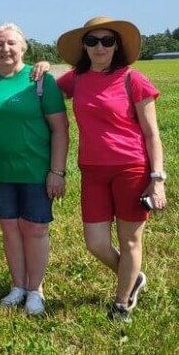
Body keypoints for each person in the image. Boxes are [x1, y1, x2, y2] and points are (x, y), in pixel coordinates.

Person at [55, 16, 167, 320]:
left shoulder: (133, 79)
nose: (100, 47)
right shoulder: (76, 79)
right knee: (96, 243)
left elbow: (152, 133)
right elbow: (48, 86)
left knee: (130, 240)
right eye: (92, 41)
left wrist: (157, 179)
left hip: (131, 169)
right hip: (92, 171)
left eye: (107, 40)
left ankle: (121, 303)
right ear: (84, 46)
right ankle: (133, 277)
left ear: (116, 45)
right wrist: (40, 66)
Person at [0, 24, 69, 315]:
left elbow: (60, 129)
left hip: (37, 170)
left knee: (35, 229)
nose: (5, 49)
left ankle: (35, 290)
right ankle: (18, 286)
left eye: (12, 43)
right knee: (9, 228)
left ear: (23, 47)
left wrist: (57, 171)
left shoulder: (39, 81)